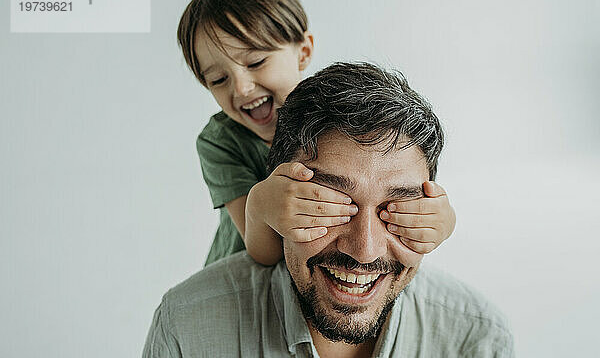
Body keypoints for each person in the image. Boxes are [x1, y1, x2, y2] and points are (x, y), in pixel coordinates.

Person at [143, 62, 514, 358]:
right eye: (328, 204)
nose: (365, 248)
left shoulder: (477, 337)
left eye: (396, 209)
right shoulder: (186, 327)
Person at [177, 0, 456, 267]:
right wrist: (260, 205)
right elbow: (264, 255)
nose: (241, 88)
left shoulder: (335, 117)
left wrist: (443, 220)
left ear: (304, 52)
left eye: (256, 62)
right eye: (218, 79)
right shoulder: (220, 140)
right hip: (252, 273)